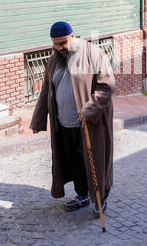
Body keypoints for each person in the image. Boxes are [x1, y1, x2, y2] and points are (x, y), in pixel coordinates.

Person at [30, 21, 115, 216]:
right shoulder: (53, 60)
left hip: (89, 123)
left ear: (73, 36)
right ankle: (82, 195)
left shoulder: (94, 54)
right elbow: (46, 90)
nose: (59, 48)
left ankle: (100, 198)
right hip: (64, 123)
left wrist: (88, 110)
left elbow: (106, 86)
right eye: (55, 44)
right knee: (74, 160)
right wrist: (38, 119)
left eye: (63, 43)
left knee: (96, 159)